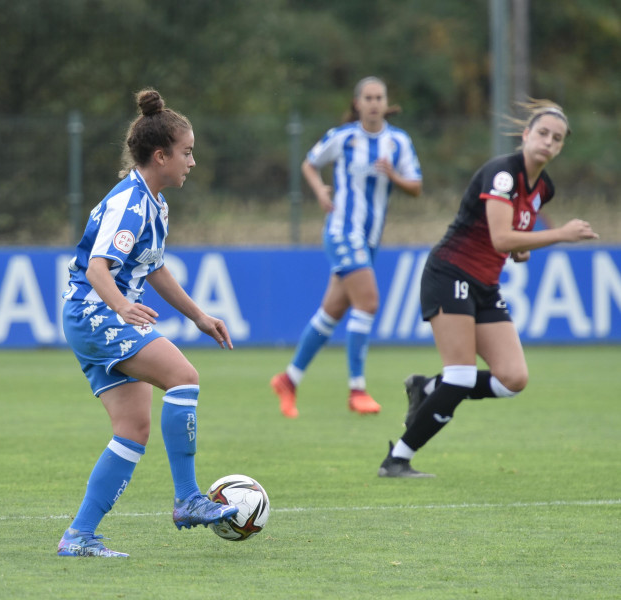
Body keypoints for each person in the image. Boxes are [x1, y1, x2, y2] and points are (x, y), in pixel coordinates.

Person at [57, 89, 237, 558]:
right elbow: (98, 268)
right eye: (187, 152)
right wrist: (120, 307)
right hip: (95, 313)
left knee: (132, 429)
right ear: (161, 155)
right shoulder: (131, 204)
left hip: (93, 316)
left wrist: (198, 316)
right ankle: (188, 499)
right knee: (184, 377)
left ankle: (78, 536)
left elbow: (153, 268)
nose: (191, 162)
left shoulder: (153, 202)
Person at [378, 100, 599, 478]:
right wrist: (560, 234)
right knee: (461, 374)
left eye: (557, 138)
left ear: (561, 147)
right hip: (450, 273)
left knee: (513, 379)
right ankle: (397, 458)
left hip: (484, 283)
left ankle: (427, 386)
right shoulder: (503, 174)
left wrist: (523, 247)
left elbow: (513, 238)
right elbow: (499, 237)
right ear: (526, 135)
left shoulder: (544, 187)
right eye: (542, 133)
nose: (548, 142)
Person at [271, 76, 423, 418]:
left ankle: (289, 379)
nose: (372, 103)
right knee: (368, 302)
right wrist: (321, 190)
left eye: (378, 97)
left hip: (370, 240)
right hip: (342, 231)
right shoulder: (344, 138)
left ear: (385, 103)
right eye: (367, 97)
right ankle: (357, 390)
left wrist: (393, 177)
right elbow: (309, 163)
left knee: (331, 314)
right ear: (357, 103)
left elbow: (416, 186)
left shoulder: (398, 142)